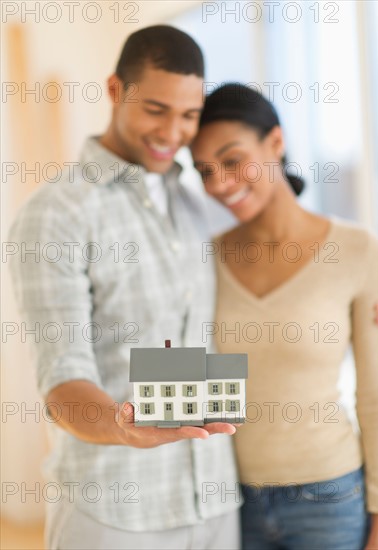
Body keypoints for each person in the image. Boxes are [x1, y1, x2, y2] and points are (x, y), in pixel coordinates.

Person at [9, 27, 241, 550]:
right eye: (155, 109)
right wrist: (121, 425)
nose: (173, 132)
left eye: (188, 115)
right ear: (115, 91)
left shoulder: (190, 202)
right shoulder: (57, 214)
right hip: (115, 509)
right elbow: (61, 380)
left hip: (214, 500)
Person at [191, 83, 378, 550]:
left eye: (232, 161)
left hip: (330, 498)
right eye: (203, 171)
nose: (218, 184)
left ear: (275, 142)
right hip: (230, 501)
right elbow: (187, 368)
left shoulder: (357, 251)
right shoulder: (203, 261)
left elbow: (377, 395)